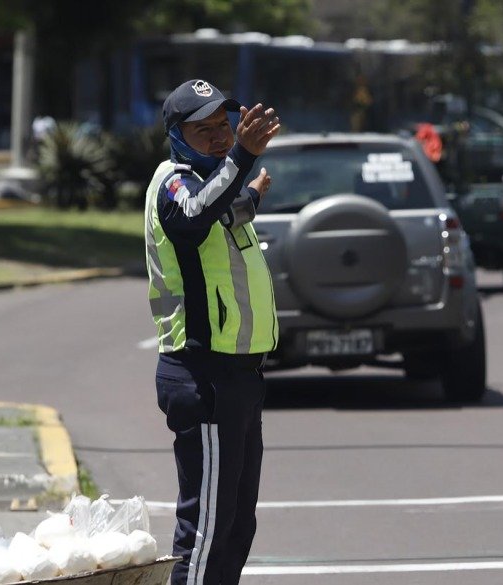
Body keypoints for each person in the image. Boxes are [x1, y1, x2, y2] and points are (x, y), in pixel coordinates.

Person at [144, 78, 280, 585]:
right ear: (178, 136)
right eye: (206, 131)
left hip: (241, 376)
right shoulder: (173, 182)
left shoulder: (212, 183)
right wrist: (242, 156)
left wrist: (250, 193)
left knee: (237, 527)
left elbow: (226, 213)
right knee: (204, 530)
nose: (221, 137)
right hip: (202, 375)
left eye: (226, 126)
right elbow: (194, 216)